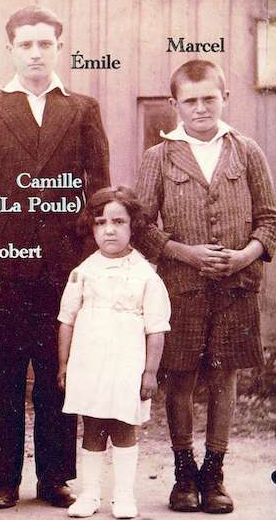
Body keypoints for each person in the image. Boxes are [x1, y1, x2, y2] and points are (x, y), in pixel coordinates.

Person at [0, 4, 110, 510]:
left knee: (56, 370)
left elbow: (98, 193)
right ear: (11, 49)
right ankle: (4, 479)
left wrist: (87, 261)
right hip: (5, 266)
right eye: (26, 44)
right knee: (5, 374)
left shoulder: (82, 109)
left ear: (59, 48)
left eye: (45, 43)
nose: (36, 53)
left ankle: (54, 477)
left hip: (64, 269)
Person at [134, 60, 276, 514]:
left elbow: (271, 220)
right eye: (190, 101)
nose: (200, 108)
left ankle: (214, 473)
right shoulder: (159, 157)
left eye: (209, 99)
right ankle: (184, 473)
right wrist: (186, 253)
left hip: (237, 289)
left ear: (225, 99)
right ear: (174, 104)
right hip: (181, 289)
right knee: (179, 378)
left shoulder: (247, 151)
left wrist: (245, 255)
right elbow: (141, 226)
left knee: (224, 378)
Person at [57, 187, 171, 519]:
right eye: (100, 222)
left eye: (118, 222)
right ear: (91, 228)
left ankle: (123, 495)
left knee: (123, 427)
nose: (109, 230)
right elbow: (67, 320)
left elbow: (156, 327)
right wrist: (64, 364)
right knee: (92, 427)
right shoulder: (83, 271)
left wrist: (150, 372)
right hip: (89, 362)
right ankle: (90, 494)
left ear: (133, 225)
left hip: (126, 364)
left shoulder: (144, 273)